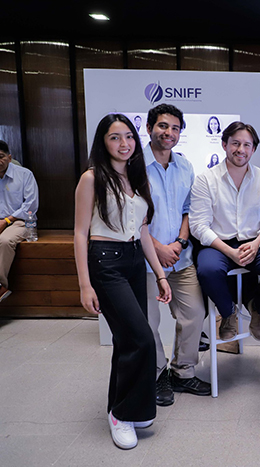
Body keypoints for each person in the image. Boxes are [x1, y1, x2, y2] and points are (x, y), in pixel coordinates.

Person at [74, 113, 172, 450]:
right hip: (105, 262)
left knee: (127, 340)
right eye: (115, 137)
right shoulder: (91, 178)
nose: (124, 143)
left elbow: (142, 230)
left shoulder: (137, 177)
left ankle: (130, 407)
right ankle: (121, 414)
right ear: (103, 142)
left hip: (133, 260)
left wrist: (159, 273)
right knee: (142, 338)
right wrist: (84, 284)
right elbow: (80, 233)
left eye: (129, 136)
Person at [143, 104, 211, 407]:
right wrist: (158, 248)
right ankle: (157, 374)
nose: (168, 132)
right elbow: (132, 217)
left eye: (174, 128)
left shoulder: (185, 166)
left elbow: (188, 210)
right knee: (148, 321)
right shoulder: (133, 166)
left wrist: (180, 243)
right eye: (162, 126)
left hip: (180, 258)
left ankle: (183, 372)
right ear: (149, 128)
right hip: (146, 260)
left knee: (194, 313)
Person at [190, 121, 260, 341]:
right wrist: (229, 252)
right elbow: (199, 225)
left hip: (253, 243)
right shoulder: (206, 180)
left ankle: (258, 309)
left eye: (247, 145)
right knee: (208, 270)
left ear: (253, 149)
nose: (241, 149)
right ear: (224, 145)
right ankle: (228, 312)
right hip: (218, 244)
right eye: (235, 143)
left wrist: (257, 242)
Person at [0, 140, 38, 302]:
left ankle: (0, 285)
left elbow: (31, 205)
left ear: (9, 157)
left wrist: (6, 220)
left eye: (1, 156)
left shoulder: (24, 175)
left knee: (4, 240)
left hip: (20, 221)